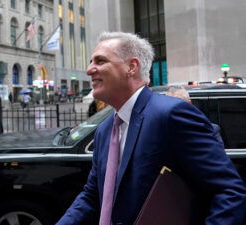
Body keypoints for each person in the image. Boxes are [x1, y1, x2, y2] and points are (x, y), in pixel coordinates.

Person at [56, 32, 246, 225]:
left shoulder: (171, 115)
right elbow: (92, 196)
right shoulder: (104, 130)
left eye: (100, 61)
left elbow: (229, 192)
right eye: (90, 61)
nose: (89, 70)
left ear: (131, 67)